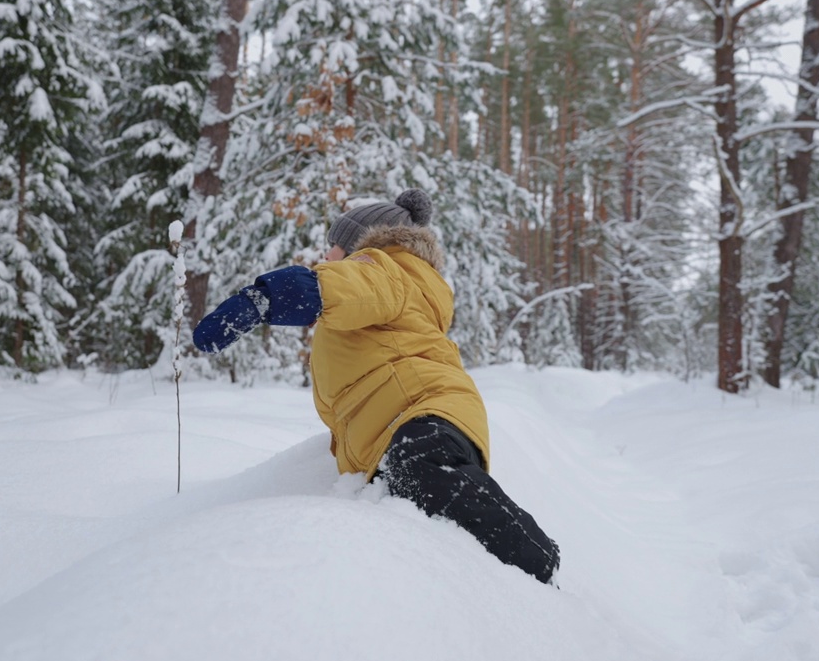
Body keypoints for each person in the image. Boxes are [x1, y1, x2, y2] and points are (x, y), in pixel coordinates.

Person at [192, 188, 560, 583]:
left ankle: (536, 558)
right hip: (404, 421)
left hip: (423, 411)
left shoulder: (383, 270)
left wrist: (261, 300)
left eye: (334, 246)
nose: (327, 254)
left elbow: (334, 286)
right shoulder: (397, 281)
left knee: (421, 472)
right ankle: (482, 580)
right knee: (412, 499)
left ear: (359, 246)